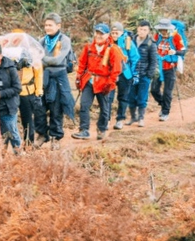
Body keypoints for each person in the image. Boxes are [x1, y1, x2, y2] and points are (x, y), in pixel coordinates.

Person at [72, 24, 123, 140]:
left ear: (107, 35)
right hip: (89, 80)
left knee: (104, 108)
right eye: (97, 33)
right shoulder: (89, 47)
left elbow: (116, 69)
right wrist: (79, 77)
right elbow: (82, 63)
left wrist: (110, 83)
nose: (99, 36)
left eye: (102, 33)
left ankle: (102, 129)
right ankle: (84, 130)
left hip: (104, 82)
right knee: (84, 105)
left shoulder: (113, 49)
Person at [36, 13, 75, 148]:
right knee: (39, 107)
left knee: (56, 108)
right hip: (43, 77)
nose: (47, 28)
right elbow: (35, 57)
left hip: (58, 77)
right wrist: (43, 60)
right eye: (46, 25)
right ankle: (41, 134)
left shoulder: (64, 40)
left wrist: (42, 58)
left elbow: (58, 60)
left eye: (50, 25)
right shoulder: (42, 40)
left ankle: (55, 137)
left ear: (58, 26)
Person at [150, 19, 186, 122]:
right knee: (154, 90)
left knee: (167, 92)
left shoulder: (176, 37)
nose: (163, 32)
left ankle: (165, 112)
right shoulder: (157, 37)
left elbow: (183, 52)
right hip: (159, 67)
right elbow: (152, 47)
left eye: (165, 30)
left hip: (170, 67)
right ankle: (163, 104)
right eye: (161, 29)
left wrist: (174, 51)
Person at [109, 22, 139, 130]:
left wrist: (135, 74)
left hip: (125, 74)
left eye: (116, 32)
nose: (114, 34)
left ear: (121, 32)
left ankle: (120, 120)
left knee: (123, 97)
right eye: (112, 32)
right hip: (110, 74)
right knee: (108, 98)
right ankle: (106, 120)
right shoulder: (107, 42)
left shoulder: (128, 42)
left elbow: (135, 58)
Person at [129, 20, 158, 127]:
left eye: (144, 30)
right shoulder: (131, 40)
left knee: (142, 97)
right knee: (130, 96)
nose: (142, 31)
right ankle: (133, 117)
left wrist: (149, 74)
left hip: (144, 74)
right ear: (137, 29)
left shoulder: (151, 43)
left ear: (148, 31)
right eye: (140, 29)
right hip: (132, 74)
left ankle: (141, 118)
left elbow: (153, 61)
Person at [16, 44, 43, 145]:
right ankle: (11, 144)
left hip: (27, 93)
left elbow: (38, 76)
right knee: (10, 120)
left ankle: (29, 144)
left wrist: (38, 92)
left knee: (27, 121)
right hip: (13, 92)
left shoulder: (34, 59)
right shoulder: (12, 55)